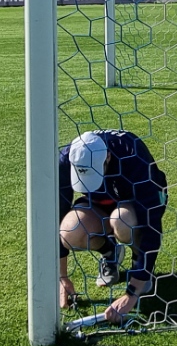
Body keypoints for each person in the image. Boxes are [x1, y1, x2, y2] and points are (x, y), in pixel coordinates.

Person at [57, 129, 168, 323]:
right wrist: (62, 277)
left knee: (122, 221)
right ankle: (111, 253)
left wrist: (132, 293)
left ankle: (139, 269)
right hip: (98, 204)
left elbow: (152, 224)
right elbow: (57, 213)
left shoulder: (132, 153)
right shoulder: (66, 158)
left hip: (134, 205)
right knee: (69, 231)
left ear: (107, 157)